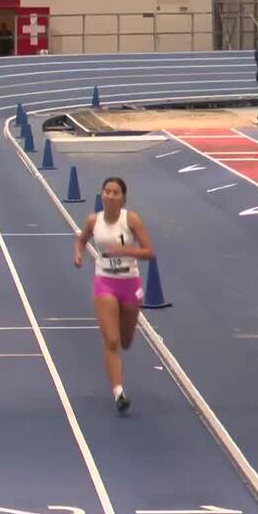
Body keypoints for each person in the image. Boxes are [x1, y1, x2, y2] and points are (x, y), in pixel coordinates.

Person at [73, 177, 155, 413]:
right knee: (111, 340)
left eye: (115, 192)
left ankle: (124, 327)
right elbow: (81, 241)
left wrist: (124, 250)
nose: (110, 196)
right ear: (102, 195)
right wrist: (78, 254)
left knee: (126, 341)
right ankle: (119, 392)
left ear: (123, 198)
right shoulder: (93, 220)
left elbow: (149, 251)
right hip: (105, 282)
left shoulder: (131, 219)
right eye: (106, 191)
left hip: (130, 283)